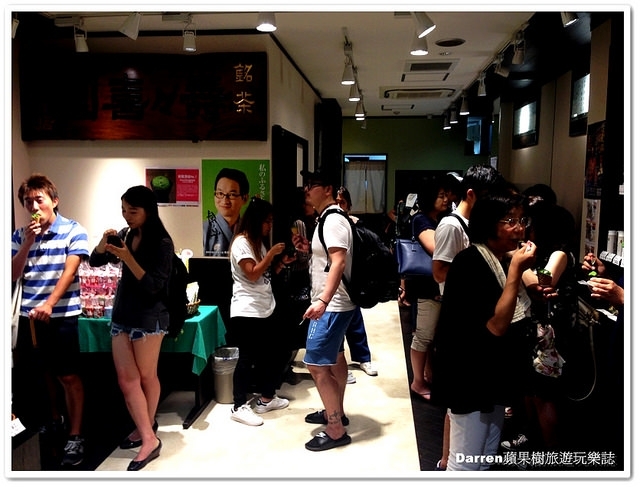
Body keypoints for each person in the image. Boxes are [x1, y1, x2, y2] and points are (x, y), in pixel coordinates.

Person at [432, 192, 537, 471]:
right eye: (510, 221)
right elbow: (496, 326)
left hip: (493, 375)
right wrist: (516, 270)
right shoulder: (470, 261)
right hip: (469, 378)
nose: (519, 228)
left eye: (522, 220)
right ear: (489, 224)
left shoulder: (499, 259)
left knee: (486, 455)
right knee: (465, 462)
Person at [89, 185, 171, 471]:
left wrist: (127, 258)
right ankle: (148, 434)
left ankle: (146, 432)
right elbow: (95, 260)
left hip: (149, 318)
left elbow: (153, 286)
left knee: (147, 377)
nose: (127, 216)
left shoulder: (162, 242)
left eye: (133, 211)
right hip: (123, 314)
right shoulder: (126, 234)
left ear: (148, 211)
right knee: (127, 380)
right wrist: (103, 242)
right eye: (124, 210)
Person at [431, 164, 507, 470]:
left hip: (474, 324)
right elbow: (439, 271)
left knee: (474, 434)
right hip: (461, 321)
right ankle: (447, 461)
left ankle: (448, 459)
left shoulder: (476, 230)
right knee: (462, 419)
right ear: (473, 194)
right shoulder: (453, 227)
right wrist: (477, 269)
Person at [11, 173, 90, 467]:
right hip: (29, 317)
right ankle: (53, 421)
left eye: (39, 199)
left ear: (54, 201)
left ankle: (76, 434)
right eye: (27, 201)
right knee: (42, 373)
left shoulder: (73, 230)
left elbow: (71, 270)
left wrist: (50, 303)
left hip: (62, 314)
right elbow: (12, 274)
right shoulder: (19, 235)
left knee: (68, 375)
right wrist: (27, 243)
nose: (34, 206)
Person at [501, 201, 578, 452]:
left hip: (550, 336)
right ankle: (532, 439)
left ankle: (550, 450)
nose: (524, 228)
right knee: (530, 389)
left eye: (528, 223)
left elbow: (543, 282)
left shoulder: (559, 253)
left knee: (544, 394)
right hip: (534, 330)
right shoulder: (536, 252)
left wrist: (515, 258)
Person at [294, 168, 358, 452]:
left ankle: (335, 428)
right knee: (334, 359)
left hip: (332, 306)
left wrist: (322, 300)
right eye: (306, 185)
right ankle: (337, 412)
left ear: (328, 189)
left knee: (316, 365)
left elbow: (339, 261)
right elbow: (331, 259)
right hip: (337, 304)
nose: (307, 189)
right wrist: (310, 249)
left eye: (313, 185)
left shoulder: (332, 219)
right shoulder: (328, 218)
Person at [228, 197, 296, 427]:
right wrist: (271, 254)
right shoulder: (241, 243)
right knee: (247, 358)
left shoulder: (258, 242)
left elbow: (265, 276)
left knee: (273, 354)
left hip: (265, 306)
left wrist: (281, 263)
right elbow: (252, 274)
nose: (269, 225)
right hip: (247, 309)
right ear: (256, 221)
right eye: (267, 221)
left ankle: (267, 398)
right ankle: (238, 405)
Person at [406, 177, 449, 401]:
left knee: (429, 335)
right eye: (441, 195)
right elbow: (435, 248)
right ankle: (417, 382)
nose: (446, 199)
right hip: (426, 285)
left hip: (433, 285)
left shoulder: (436, 219)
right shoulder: (421, 219)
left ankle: (427, 374)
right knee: (423, 336)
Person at [335, 186, 378, 379]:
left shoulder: (356, 225)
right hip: (331, 282)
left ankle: (363, 358)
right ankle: (339, 365)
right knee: (335, 326)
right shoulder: (324, 223)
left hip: (352, 281)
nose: (339, 206)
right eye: (336, 202)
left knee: (355, 320)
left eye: (342, 202)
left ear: (349, 205)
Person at [203, 168, 250, 257]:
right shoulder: (205, 230)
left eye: (232, 194)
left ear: (245, 198)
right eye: (220, 193)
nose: (225, 200)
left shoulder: (250, 229)